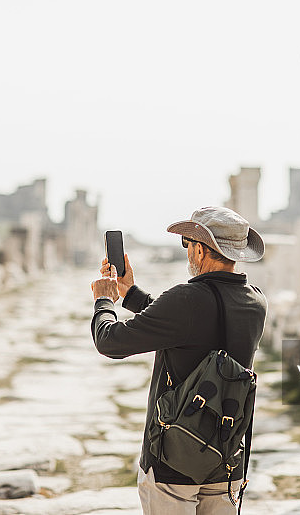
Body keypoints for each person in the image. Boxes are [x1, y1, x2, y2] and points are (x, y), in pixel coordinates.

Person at [90, 206, 267, 515]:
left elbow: (110, 342)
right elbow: (189, 328)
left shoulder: (186, 299)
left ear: (200, 249)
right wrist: (131, 293)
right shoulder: (255, 301)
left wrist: (104, 300)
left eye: (187, 244)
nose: (187, 251)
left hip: (173, 459)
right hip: (226, 457)